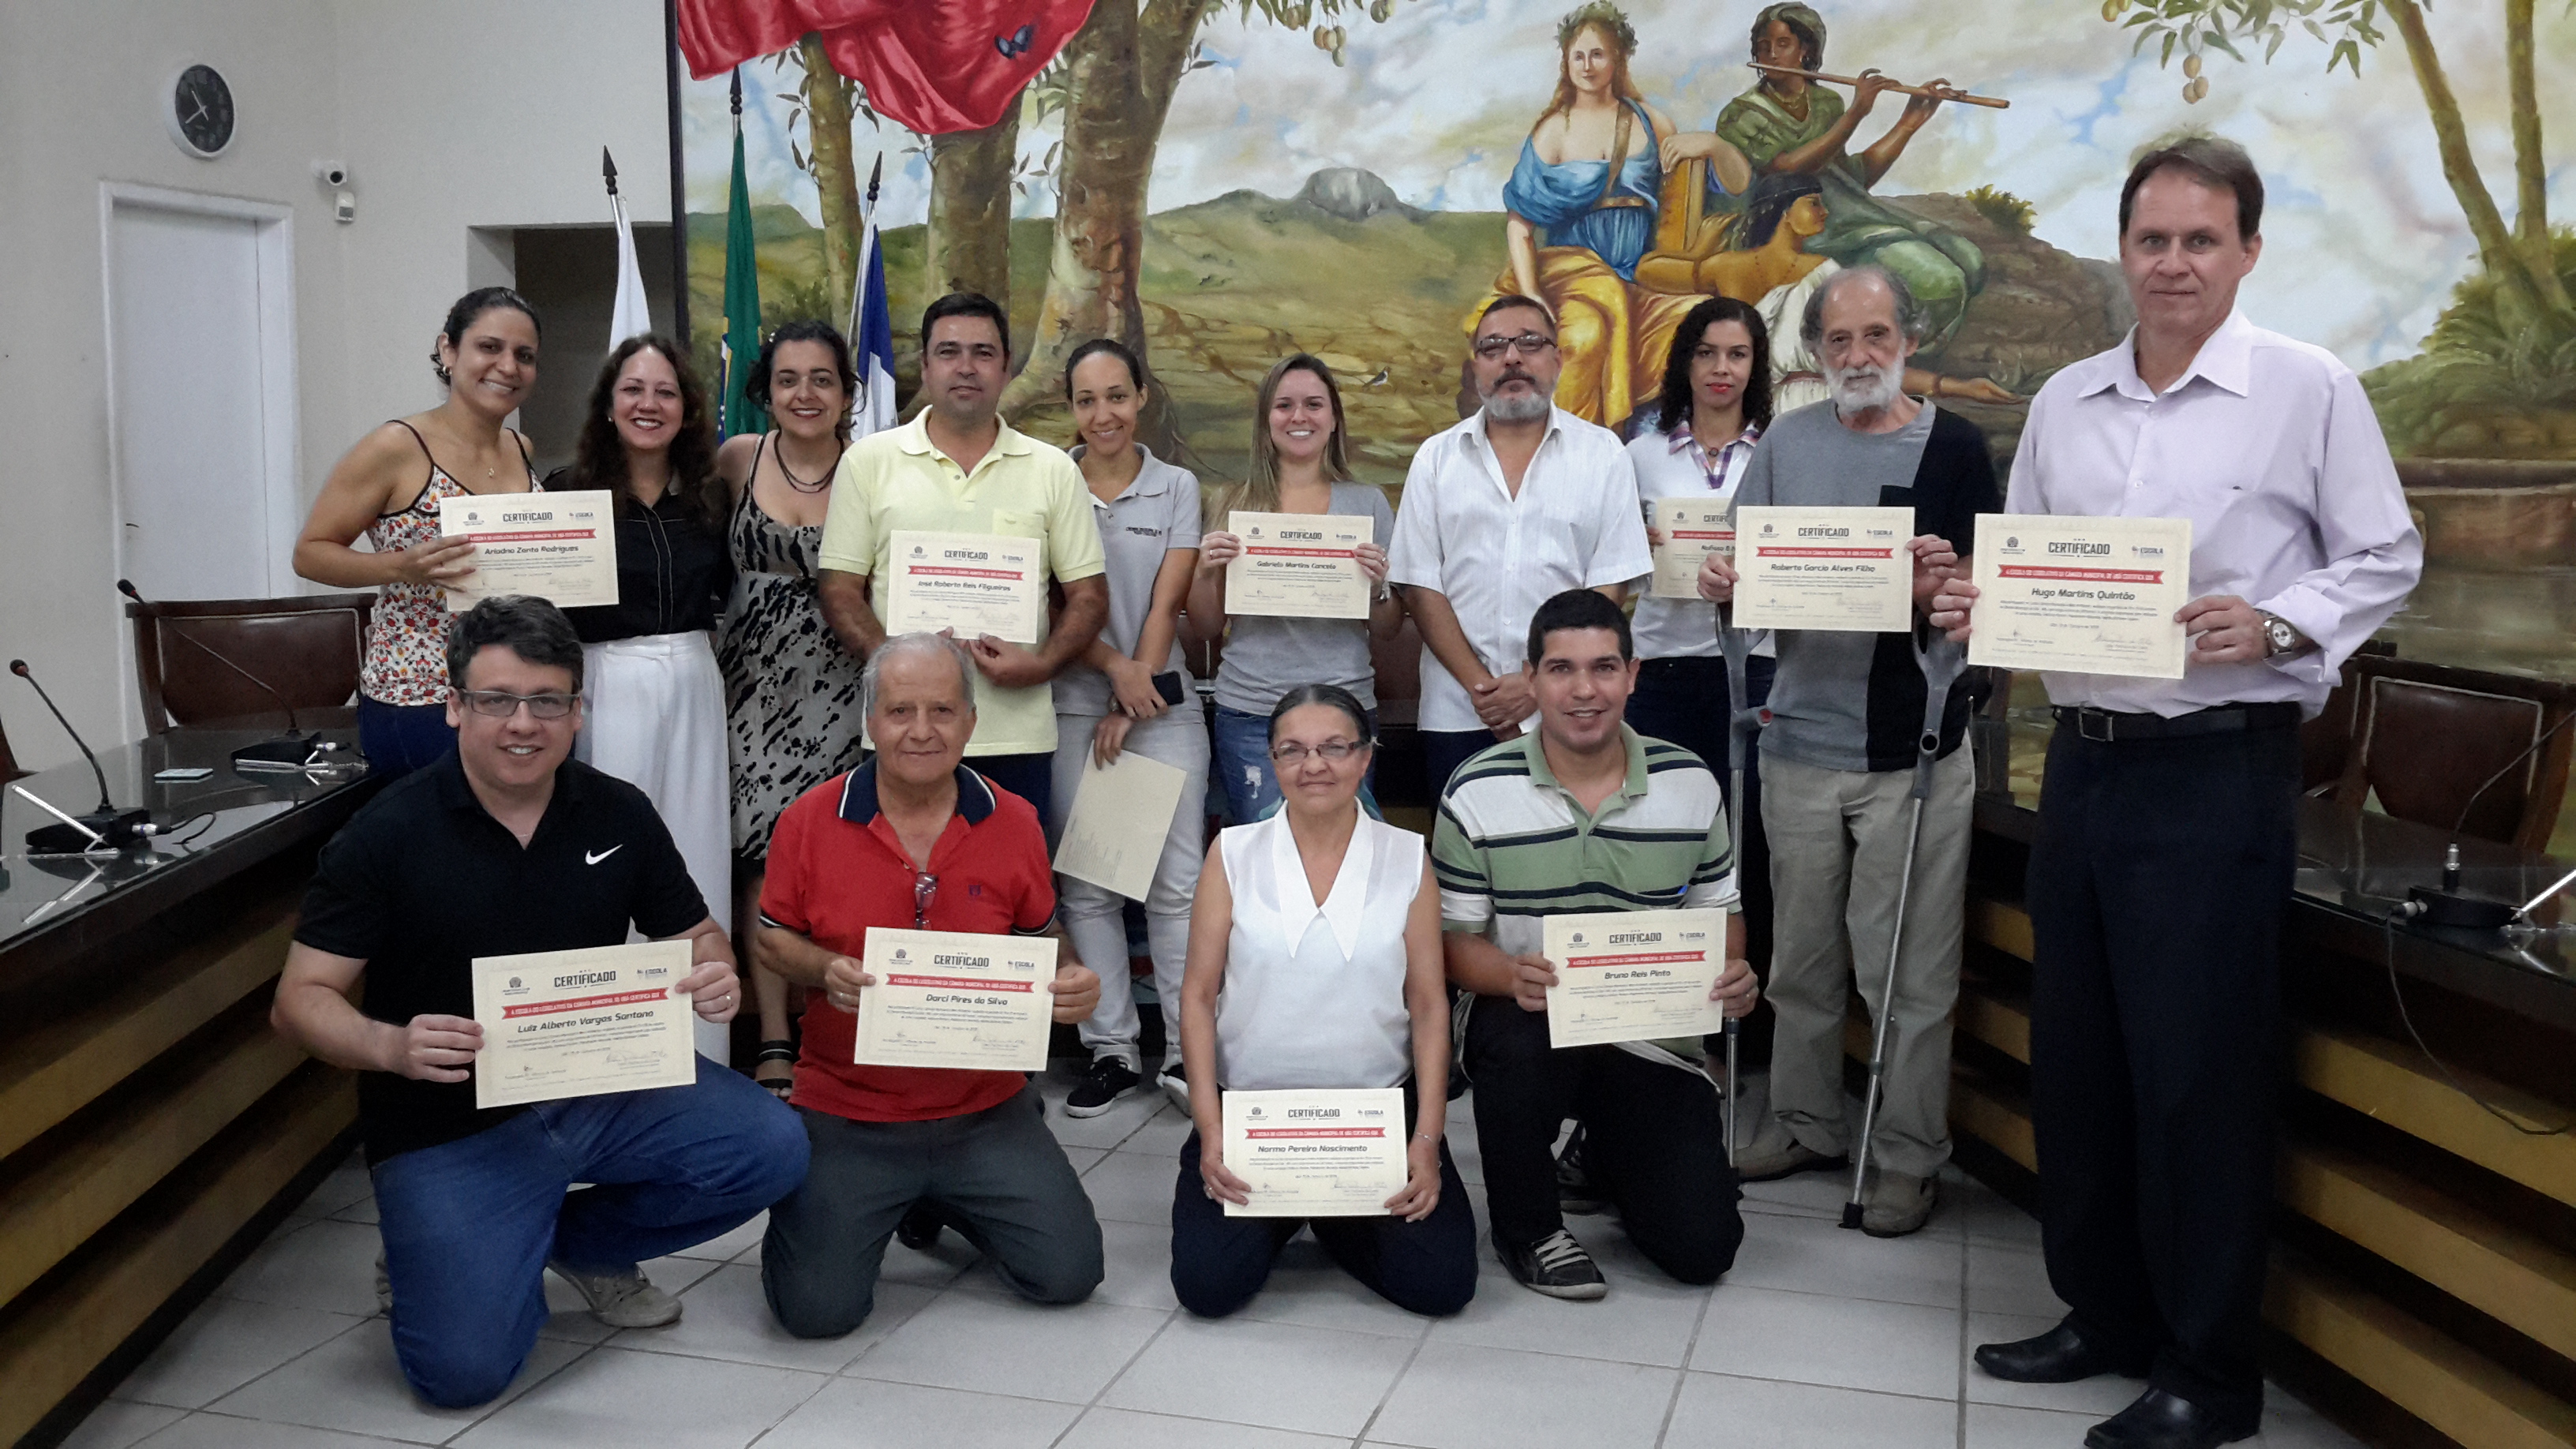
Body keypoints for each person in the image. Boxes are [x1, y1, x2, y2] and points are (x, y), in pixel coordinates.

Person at [1937, 138, 2421, 1449]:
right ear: (2120, 252)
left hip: (2215, 776)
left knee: (2197, 1075)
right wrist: (1975, 598)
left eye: (2198, 240)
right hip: (2081, 765)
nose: (2169, 264)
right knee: (2078, 1056)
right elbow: (2024, 570)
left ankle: (2207, 1371)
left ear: (2246, 253)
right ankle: (2100, 1312)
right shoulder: (2064, 402)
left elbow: (2384, 554)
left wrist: (2270, 624)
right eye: (2148, 240)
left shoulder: (2303, 391)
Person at [268, 596, 807, 1408]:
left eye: (548, 701)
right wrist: (391, 1047)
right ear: (454, 707)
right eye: (497, 701)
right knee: (462, 1374)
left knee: (772, 1146)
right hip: (450, 1122)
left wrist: (715, 972)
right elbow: (299, 1001)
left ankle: (575, 1245)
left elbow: (698, 935)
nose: (524, 724)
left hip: (599, 1089)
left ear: (578, 710)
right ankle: (444, 1245)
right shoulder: (386, 833)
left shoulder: (617, 810)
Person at [1697, 264, 1995, 1237]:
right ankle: (1805, 1122)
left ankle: (1907, 1156)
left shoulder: (1954, 449)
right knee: (1801, 962)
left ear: (1908, 339)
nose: (1858, 356)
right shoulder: (1785, 441)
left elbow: (1980, 615)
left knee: (1906, 971)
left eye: (1876, 336)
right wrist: (1721, 577)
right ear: (1815, 352)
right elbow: (1742, 581)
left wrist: (1940, 594)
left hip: (1913, 752)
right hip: (1798, 742)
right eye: (1839, 341)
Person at [753, 632, 1108, 1338]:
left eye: (943, 711)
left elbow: (1042, 941)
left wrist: (1071, 981)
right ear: (870, 722)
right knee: (817, 1315)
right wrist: (823, 970)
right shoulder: (808, 820)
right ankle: (858, 1205)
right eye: (900, 711)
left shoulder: (1015, 820)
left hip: (984, 1107)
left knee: (1069, 1277)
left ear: (972, 723)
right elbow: (770, 939)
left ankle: (942, 1198)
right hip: (850, 1109)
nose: (922, 731)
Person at [1436, 589, 1758, 1298]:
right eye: (1561, 670)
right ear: (1532, 679)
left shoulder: (1689, 781)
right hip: (1530, 1020)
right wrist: (1509, 975)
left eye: (1604, 668)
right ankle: (1529, 1230)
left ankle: (1602, 1156)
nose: (1585, 690)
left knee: (1703, 1249)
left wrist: (1733, 971)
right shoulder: (1476, 788)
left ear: (1633, 675)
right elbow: (1455, 946)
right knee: (1511, 1037)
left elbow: (1720, 912)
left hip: (1646, 1034)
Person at [1170, 683, 1475, 1318]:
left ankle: (1334, 1216)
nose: (1314, 766)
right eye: (1294, 750)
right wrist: (1210, 1128)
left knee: (1441, 1285)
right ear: (1273, 762)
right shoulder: (1232, 853)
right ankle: (1301, 1207)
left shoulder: (1406, 856)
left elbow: (1428, 1005)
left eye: (1335, 748)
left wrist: (1425, 1139)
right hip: (1254, 1114)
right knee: (1208, 1288)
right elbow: (1198, 997)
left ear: (1366, 758)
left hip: (1376, 1115)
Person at [816, 292, 1109, 831]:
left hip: (1016, 737)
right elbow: (838, 589)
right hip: (904, 734)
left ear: (1006, 366)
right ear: (925, 366)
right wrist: (904, 674)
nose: (966, 367)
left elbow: (1089, 597)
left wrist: (1042, 665)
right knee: (898, 906)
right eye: (949, 352)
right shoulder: (868, 463)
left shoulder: (1052, 470)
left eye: (983, 352)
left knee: (1004, 905)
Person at [552, 336, 737, 1064]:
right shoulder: (567, 493)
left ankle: (703, 1055)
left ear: (688, 409)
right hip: (603, 682)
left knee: (692, 853)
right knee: (610, 856)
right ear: (608, 404)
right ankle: (617, 1049)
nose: (648, 405)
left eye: (664, 392)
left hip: (694, 680)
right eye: (633, 390)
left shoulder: (709, 499)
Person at [1389, 297, 1654, 803]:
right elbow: (1421, 585)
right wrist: (1483, 690)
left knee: (1562, 863)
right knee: (1463, 865)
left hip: (1568, 707)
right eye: (1493, 347)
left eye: (1530, 343)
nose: (1512, 358)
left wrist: (1533, 685)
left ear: (1558, 359)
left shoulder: (1603, 456)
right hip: (1457, 708)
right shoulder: (1436, 459)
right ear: (1476, 368)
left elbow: (1608, 586)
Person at [1048, 339, 1210, 1117]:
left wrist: (1131, 697)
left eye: (1117, 395)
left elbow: (1169, 601)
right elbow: (1050, 603)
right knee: (1089, 886)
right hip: (1076, 704)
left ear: (1141, 396)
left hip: (1163, 709)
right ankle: (1111, 1050)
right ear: (1070, 408)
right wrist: (1112, 680)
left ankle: (1184, 1053)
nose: (1103, 413)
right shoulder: (1049, 481)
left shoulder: (1176, 484)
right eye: (1086, 400)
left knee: (1177, 889)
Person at [292, 288, 544, 779]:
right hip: (421, 694)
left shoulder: (520, 446)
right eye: (489, 348)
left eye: (525, 356)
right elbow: (309, 553)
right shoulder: (396, 446)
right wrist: (399, 567)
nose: (508, 367)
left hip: (513, 692)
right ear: (448, 351)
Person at [714, 320, 867, 1097]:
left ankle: (830, 1030)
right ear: (765, 392)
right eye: (787, 379)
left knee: (840, 864)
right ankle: (774, 1036)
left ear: (847, 392)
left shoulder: (874, 470)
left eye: (822, 378)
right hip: (752, 696)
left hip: (851, 690)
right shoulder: (736, 462)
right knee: (764, 864)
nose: (804, 393)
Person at [1485, 2, 1751, 431]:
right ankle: (1576, 447)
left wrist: (1713, 145)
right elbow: (1519, 226)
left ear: (1618, 59)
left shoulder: (1648, 122)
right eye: (1579, 56)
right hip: (1569, 278)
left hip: (1637, 280)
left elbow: (1738, 185)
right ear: (1566, 62)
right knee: (1586, 334)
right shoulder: (1554, 131)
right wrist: (1532, 298)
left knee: (1701, 318)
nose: (1588, 66)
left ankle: (1668, 444)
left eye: (1598, 54)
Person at [1625, 296, 1781, 1016]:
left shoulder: (1782, 449)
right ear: (1685, 360)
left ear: (1757, 366)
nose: (1722, 369)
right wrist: (1637, 548)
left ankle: (1743, 1016)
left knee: (1751, 841)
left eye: (1738, 354)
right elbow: (1609, 568)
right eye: (1707, 353)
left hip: (1757, 669)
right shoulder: (1639, 454)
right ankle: (1668, 1014)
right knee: (1669, 836)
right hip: (1663, 668)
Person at [1190, 354, 1402, 825]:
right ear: (1266, 421)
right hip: (1252, 712)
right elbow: (1206, 627)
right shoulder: (1233, 503)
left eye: (1313, 404)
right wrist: (1205, 572)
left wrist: (1378, 587)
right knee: (1259, 861)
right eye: (1284, 405)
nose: (1299, 417)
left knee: (1344, 854)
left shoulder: (1366, 503)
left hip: (1343, 712)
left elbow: (1388, 629)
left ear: (1333, 419)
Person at [1710, 3, 1986, 346]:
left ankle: (1899, 345)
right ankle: (1892, 353)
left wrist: (1908, 123)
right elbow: (1787, 170)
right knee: (1941, 283)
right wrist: (1856, 114)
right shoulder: (1740, 114)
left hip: (1850, 215)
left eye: (1783, 44)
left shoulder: (1827, 103)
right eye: (1764, 46)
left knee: (1971, 261)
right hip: (1797, 226)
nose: (1771, 54)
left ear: (1806, 50)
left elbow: (1850, 178)